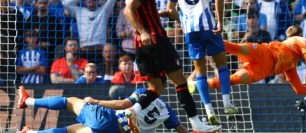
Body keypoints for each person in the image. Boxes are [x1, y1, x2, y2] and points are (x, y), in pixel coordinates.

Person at [122, 0, 220, 132]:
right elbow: (128, 10)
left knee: (155, 88)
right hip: (155, 40)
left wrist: (150, 20)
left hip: (140, 45)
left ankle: (132, 110)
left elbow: (136, 10)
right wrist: (143, 31)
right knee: (180, 82)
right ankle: (197, 124)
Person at [161, 0, 237, 125]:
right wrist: (219, 21)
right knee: (222, 66)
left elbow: (169, 10)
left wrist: (182, 20)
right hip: (208, 26)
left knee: (200, 72)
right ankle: (227, 103)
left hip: (190, 30)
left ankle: (209, 110)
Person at [191, 26, 306, 97]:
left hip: (265, 69)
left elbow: (299, 88)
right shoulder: (298, 41)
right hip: (265, 53)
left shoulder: (291, 63)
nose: (290, 29)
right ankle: (205, 38)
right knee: (238, 48)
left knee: (234, 79)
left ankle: (198, 84)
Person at [17, 85, 187, 133]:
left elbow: (122, 105)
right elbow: (180, 129)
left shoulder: (144, 92)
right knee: (73, 130)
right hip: (115, 131)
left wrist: (96, 101)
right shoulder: (167, 111)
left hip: (109, 118)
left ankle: (28, 101)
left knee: (70, 101)